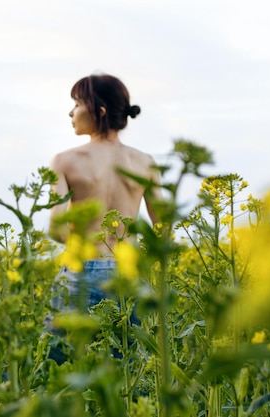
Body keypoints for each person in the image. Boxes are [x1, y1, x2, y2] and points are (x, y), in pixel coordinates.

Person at [46, 74, 161, 354]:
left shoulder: (65, 161)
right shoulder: (145, 162)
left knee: (60, 366)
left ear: (100, 111)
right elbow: (162, 229)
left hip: (80, 272)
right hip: (129, 274)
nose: (71, 113)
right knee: (129, 369)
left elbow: (56, 228)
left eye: (76, 104)